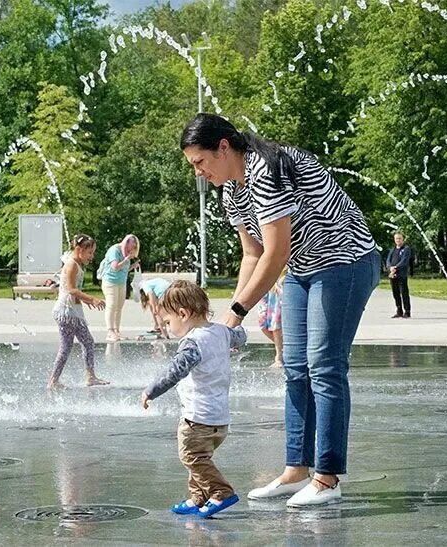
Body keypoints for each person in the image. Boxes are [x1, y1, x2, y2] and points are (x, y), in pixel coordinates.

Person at [180, 113, 380, 507]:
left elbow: (276, 253)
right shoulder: (232, 191)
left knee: (325, 366)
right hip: (304, 269)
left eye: (200, 163)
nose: (199, 173)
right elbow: (252, 254)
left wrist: (237, 311)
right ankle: (296, 470)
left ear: (223, 147)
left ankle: (327, 476)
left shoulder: (265, 169)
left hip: (345, 262)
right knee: (295, 368)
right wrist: (228, 322)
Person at [141, 280, 247, 518]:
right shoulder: (221, 331)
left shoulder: (192, 343)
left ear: (183, 313)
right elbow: (240, 336)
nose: (168, 328)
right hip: (220, 419)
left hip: (197, 418)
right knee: (200, 459)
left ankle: (220, 492)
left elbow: (174, 372)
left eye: (168, 322)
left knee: (191, 456)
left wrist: (151, 391)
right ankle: (199, 497)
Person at [48, 234, 109, 389]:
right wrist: (91, 299)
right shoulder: (72, 264)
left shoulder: (76, 264)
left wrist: (84, 301)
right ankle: (89, 377)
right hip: (67, 312)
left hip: (70, 311)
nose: (92, 256)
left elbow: (73, 291)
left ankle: (54, 380)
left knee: (68, 346)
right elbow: (70, 289)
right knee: (87, 342)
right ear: (79, 249)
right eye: (90, 252)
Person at [98, 234, 140, 341]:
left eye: (135, 245)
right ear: (127, 242)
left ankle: (116, 331)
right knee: (111, 305)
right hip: (110, 282)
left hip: (121, 282)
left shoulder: (127, 253)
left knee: (119, 306)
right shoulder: (115, 250)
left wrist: (132, 266)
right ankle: (110, 331)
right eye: (133, 244)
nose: (134, 247)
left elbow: (124, 269)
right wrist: (126, 259)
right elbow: (115, 267)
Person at [258, 269, 285, 367]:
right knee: (263, 323)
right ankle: (287, 348)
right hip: (268, 283)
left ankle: (279, 356)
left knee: (276, 321)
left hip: (282, 280)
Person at [386, 232, 412, 318]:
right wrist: (390, 267)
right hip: (392, 274)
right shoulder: (392, 250)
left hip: (401, 274)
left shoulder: (406, 249)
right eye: (396, 238)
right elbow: (388, 260)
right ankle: (399, 310)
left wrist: (396, 267)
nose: (398, 240)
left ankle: (407, 311)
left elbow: (404, 261)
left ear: (403, 239)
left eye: (399, 238)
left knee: (404, 293)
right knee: (395, 293)